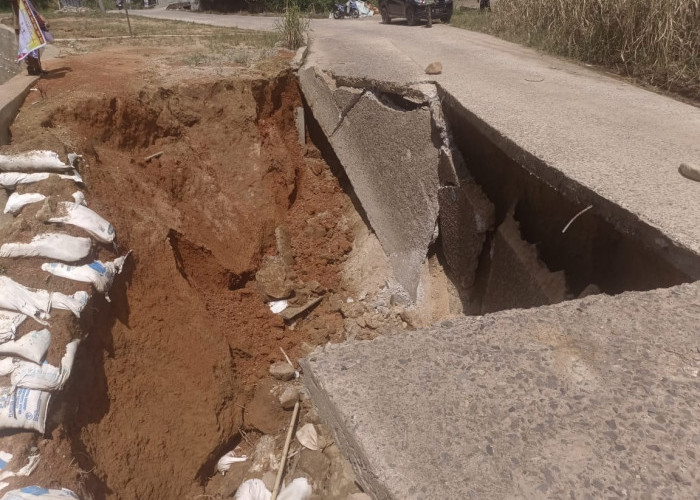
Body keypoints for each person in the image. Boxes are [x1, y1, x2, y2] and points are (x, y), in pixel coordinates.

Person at [10, 0, 48, 75]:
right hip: (21, 26)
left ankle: (38, 68)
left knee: (35, 47)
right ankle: (31, 69)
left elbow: (33, 9)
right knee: (27, 48)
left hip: (31, 25)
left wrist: (41, 19)